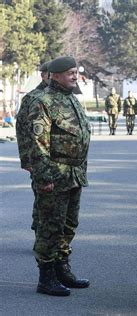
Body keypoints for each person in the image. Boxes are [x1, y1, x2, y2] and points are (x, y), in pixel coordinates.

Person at [27, 56, 90, 297]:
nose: (74, 76)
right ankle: (46, 277)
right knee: (50, 227)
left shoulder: (71, 99)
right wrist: (44, 177)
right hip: (54, 176)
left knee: (68, 225)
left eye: (75, 72)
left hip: (74, 174)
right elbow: (37, 143)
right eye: (69, 73)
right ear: (54, 75)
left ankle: (62, 269)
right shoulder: (42, 101)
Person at [16, 61, 50, 232]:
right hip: (39, 158)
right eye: (49, 74)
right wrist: (26, 161)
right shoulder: (32, 98)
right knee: (43, 198)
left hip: (62, 160)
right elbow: (22, 131)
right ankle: (42, 235)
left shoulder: (63, 95)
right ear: (43, 75)